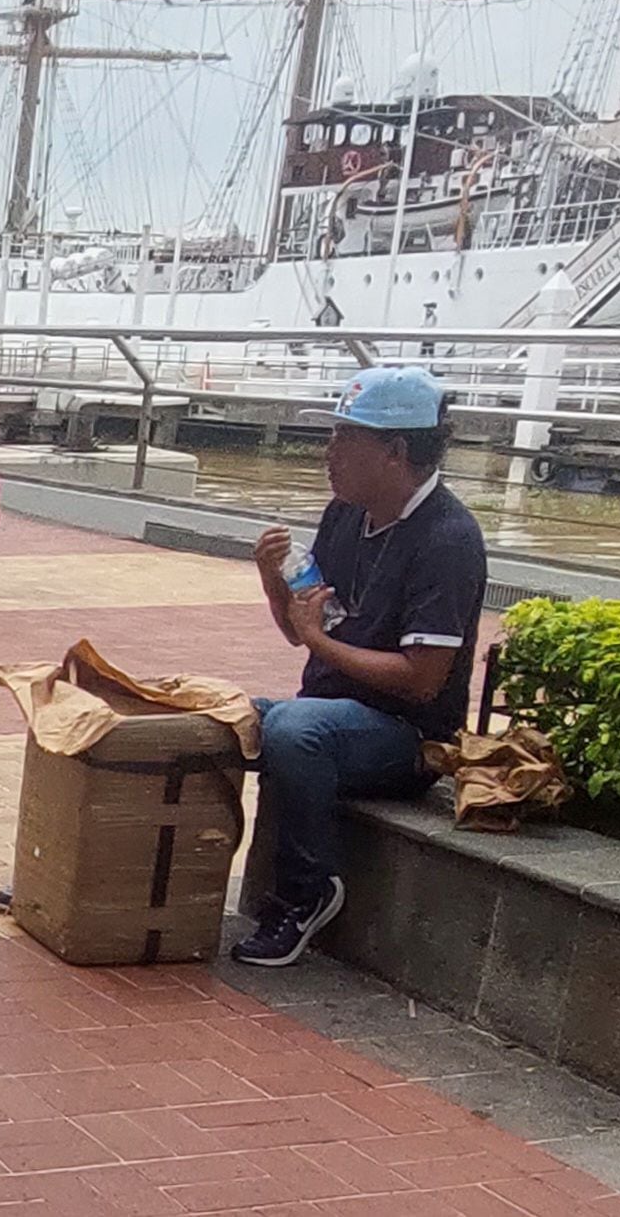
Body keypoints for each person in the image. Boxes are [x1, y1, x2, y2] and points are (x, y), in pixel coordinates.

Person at [235, 365, 486, 968]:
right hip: (329, 714)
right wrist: (274, 581)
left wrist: (318, 643)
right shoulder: (344, 514)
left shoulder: (448, 539)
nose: (329, 452)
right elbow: (302, 631)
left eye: (346, 438)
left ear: (396, 450)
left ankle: (306, 893)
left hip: (405, 736)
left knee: (295, 729)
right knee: (222, 718)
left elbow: (423, 680)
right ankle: (141, 875)